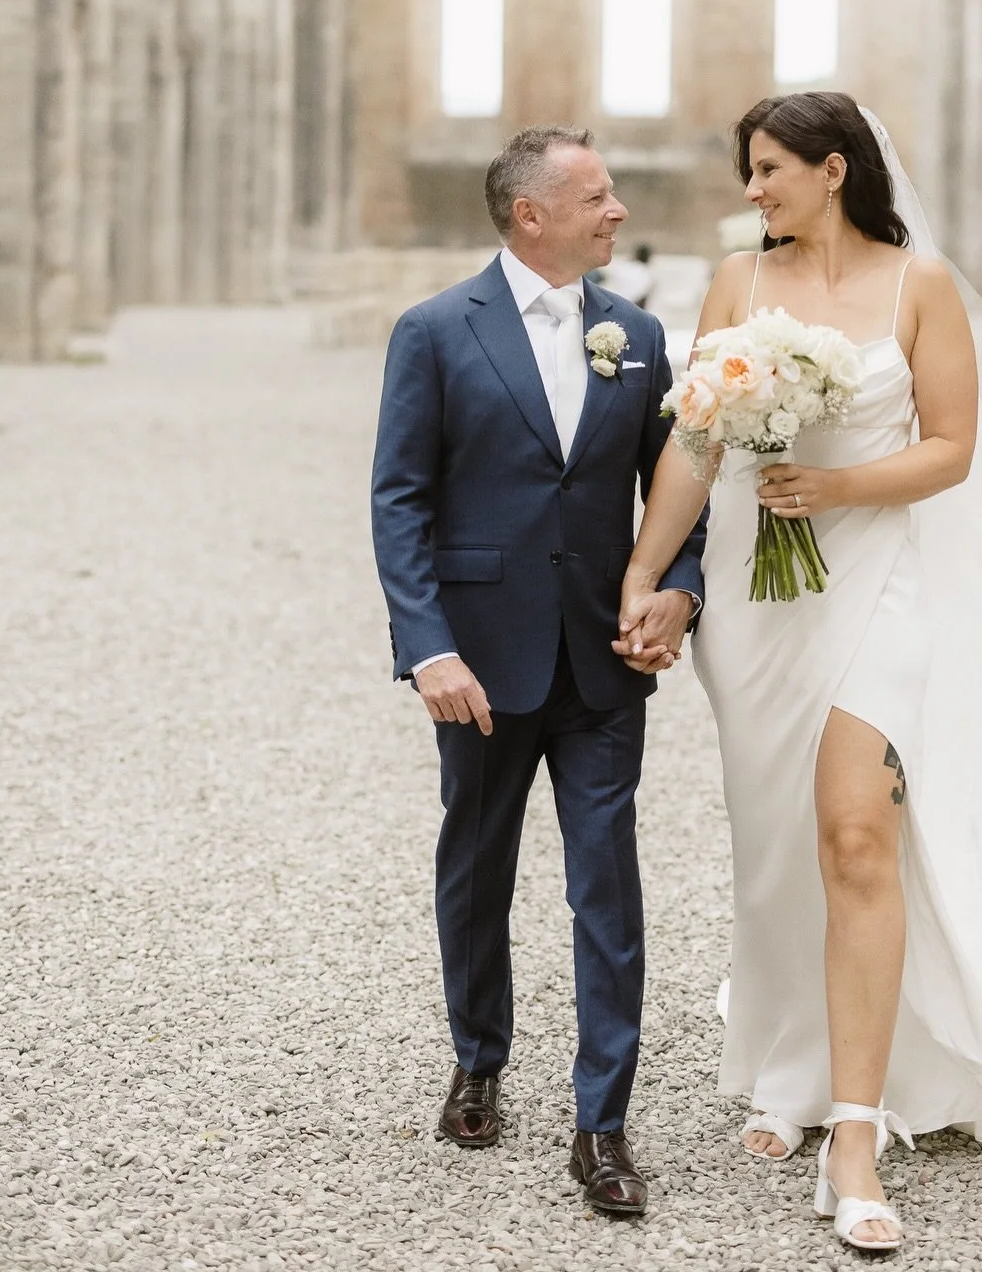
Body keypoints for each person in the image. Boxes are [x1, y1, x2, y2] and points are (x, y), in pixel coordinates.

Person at [618, 92, 982, 1254]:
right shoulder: (737, 283)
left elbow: (950, 448)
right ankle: (790, 1060)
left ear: (834, 169)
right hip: (760, 604)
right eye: (748, 173)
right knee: (780, 837)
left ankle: (859, 1134)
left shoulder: (919, 283)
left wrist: (838, 489)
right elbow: (697, 440)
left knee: (857, 832)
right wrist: (643, 572)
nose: (754, 190)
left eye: (770, 169)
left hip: (881, 578)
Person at [371, 125, 705, 1217]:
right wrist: (427, 647)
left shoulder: (640, 333)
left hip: (605, 661)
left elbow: (679, 494)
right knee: (476, 868)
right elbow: (401, 500)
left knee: (607, 884)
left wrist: (679, 591)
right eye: (597, 197)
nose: (617, 212)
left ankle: (602, 1124)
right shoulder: (432, 332)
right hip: (478, 659)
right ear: (532, 215)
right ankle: (479, 1057)